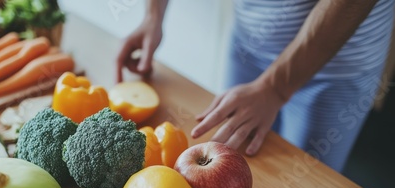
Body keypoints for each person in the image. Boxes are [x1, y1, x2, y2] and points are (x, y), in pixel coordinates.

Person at [115, 0, 394, 173]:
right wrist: (153, 14)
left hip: (336, 68)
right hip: (250, 41)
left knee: (302, 183)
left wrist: (275, 88)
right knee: (231, 159)